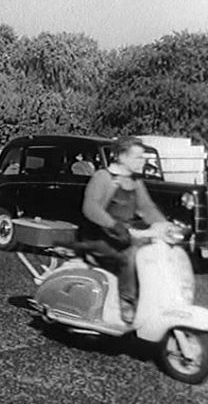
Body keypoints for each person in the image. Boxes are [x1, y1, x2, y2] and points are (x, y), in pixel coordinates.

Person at [81, 136, 167, 324]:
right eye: (137, 157)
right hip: (100, 237)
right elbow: (91, 208)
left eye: (143, 157)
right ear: (121, 156)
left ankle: (154, 299)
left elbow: (146, 208)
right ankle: (126, 300)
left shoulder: (135, 181)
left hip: (125, 235)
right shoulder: (103, 177)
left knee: (156, 252)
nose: (142, 161)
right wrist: (114, 225)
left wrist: (165, 225)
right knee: (132, 254)